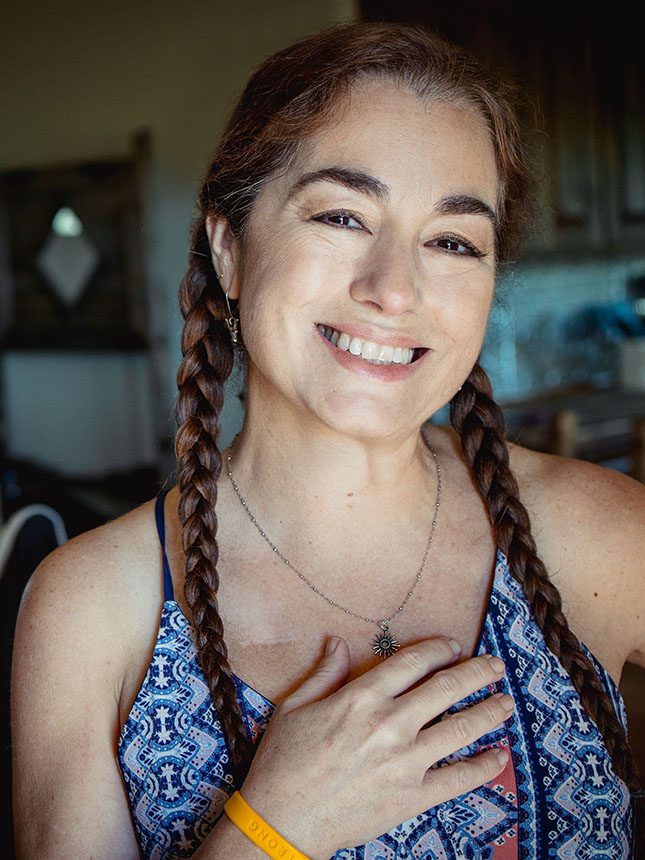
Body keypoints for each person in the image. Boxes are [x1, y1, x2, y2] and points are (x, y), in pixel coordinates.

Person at [11, 20, 644, 860]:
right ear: (229, 249)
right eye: (343, 216)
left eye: (452, 240)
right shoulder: (92, 608)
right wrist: (271, 830)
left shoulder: (600, 532)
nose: (394, 289)